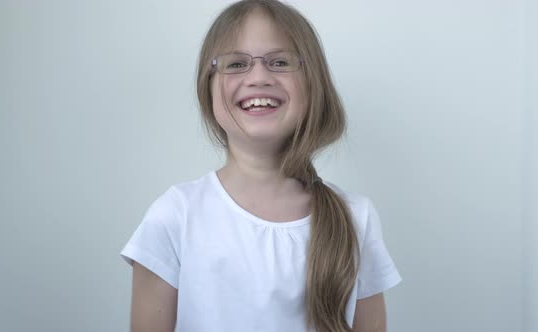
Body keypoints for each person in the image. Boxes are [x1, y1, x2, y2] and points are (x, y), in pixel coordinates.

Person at [120, 0, 401, 331]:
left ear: (314, 86)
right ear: (207, 89)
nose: (258, 77)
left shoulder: (356, 218)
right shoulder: (174, 216)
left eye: (280, 62)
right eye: (236, 64)